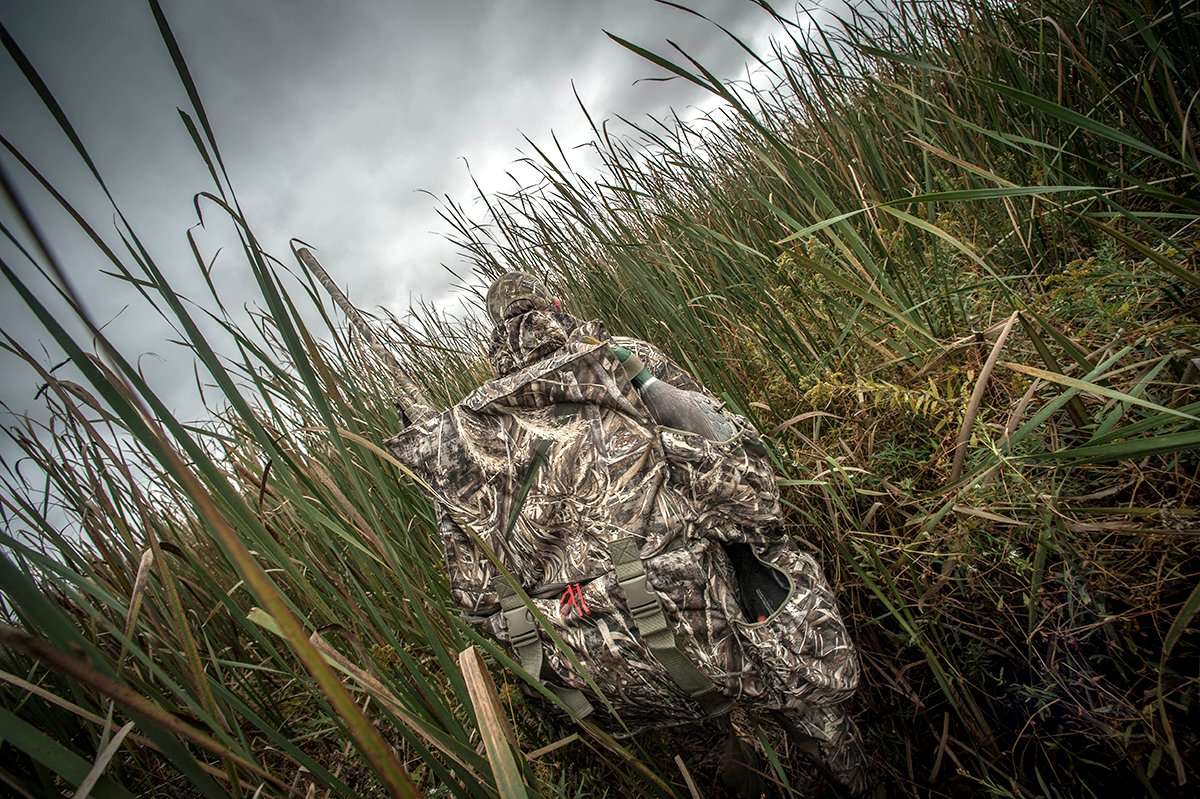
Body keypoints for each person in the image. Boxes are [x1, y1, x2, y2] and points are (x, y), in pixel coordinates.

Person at [391, 271, 866, 796]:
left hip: (612, 665)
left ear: (498, 335)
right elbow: (743, 479)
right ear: (555, 303)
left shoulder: (463, 430)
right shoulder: (615, 359)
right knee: (813, 714)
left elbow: (477, 594)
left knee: (709, 751)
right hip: (712, 621)